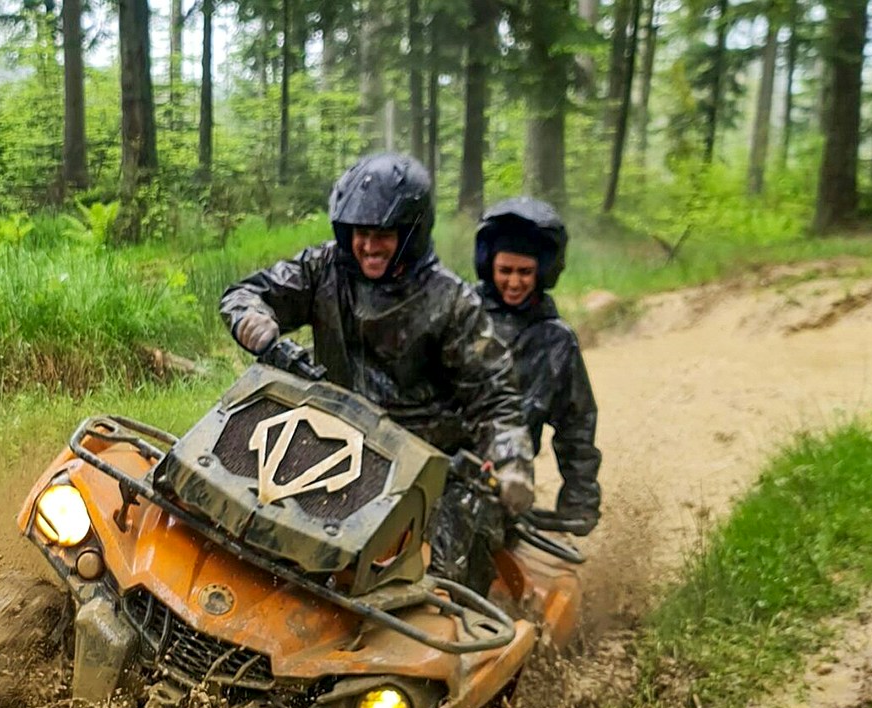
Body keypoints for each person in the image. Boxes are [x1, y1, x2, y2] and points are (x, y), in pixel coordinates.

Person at [219, 153, 535, 589]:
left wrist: (513, 459)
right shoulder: (323, 268)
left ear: (411, 233)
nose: (368, 246)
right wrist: (257, 324)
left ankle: (451, 633)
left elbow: (494, 394)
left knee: (444, 572)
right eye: (360, 234)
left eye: (383, 235)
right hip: (329, 439)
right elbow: (246, 294)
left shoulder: (453, 301)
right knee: (235, 510)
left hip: (423, 466)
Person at [474, 197, 601, 536]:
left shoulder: (556, 341)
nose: (514, 282)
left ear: (543, 271)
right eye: (506, 271)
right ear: (489, 266)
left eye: (525, 272)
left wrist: (580, 499)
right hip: (444, 465)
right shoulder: (461, 317)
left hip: (509, 480)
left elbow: (577, 425)